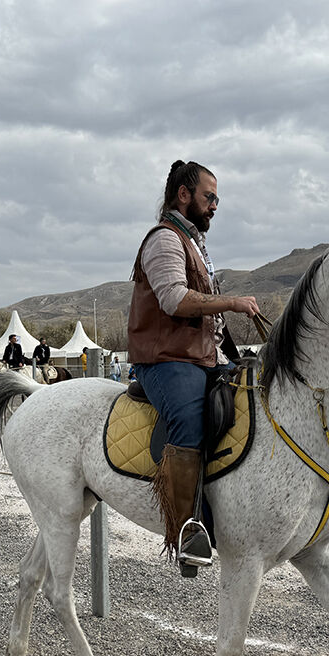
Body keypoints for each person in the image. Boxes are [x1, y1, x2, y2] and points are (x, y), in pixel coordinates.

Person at [126, 159, 259, 572]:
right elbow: (174, 300)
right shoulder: (165, 240)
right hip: (165, 359)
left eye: (216, 198)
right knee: (188, 418)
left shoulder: (195, 243)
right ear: (184, 195)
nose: (215, 205)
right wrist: (232, 302)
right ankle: (187, 530)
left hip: (201, 356)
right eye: (209, 196)